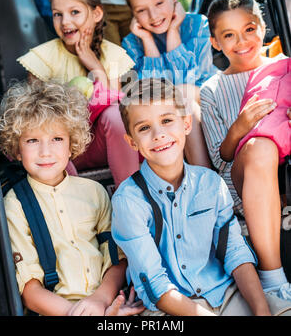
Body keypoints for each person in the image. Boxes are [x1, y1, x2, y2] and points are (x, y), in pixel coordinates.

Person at [110, 77, 291, 316]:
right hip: (170, 309)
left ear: (186, 124)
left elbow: (235, 253)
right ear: (132, 142)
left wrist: (261, 310)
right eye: (144, 128)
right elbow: (156, 286)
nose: (158, 134)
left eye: (167, 120)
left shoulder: (211, 184)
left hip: (224, 294)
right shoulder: (128, 201)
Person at [0, 79, 144, 316]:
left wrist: (100, 302)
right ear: (17, 147)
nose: (46, 151)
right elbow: (30, 291)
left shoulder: (94, 192)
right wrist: (82, 314)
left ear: (71, 143)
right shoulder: (14, 205)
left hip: (107, 303)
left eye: (57, 139)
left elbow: (118, 260)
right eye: (32, 140)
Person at [200, 0, 291, 301]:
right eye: (229, 35)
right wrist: (240, 127)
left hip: (286, 163)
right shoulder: (212, 89)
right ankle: (273, 277)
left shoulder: (286, 67)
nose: (242, 42)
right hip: (243, 173)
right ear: (215, 42)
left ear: (262, 27)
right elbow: (220, 159)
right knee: (260, 147)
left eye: (249, 30)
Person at [17, 0, 139, 187]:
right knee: (48, 133)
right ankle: (74, 198)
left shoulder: (111, 55)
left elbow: (116, 107)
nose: (65, 22)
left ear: (96, 14)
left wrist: (96, 68)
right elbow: (36, 120)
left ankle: (130, 193)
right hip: (63, 151)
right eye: (58, 14)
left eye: (74, 12)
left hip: (103, 145)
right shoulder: (43, 58)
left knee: (116, 113)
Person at [117, 0, 217, 167]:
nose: (153, 15)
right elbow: (151, 93)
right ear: (133, 14)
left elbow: (189, 81)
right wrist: (147, 42)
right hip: (166, 110)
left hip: (204, 95)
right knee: (172, 102)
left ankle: (203, 172)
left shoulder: (197, 25)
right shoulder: (131, 43)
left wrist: (173, 32)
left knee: (183, 94)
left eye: (159, 3)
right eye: (141, 10)